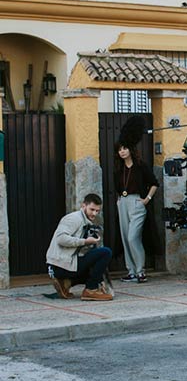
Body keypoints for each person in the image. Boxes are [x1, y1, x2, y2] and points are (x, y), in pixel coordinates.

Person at [114, 116, 159, 283]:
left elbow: (154, 183)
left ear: (131, 149)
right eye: (119, 149)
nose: (122, 151)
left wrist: (147, 199)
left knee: (133, 237)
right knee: (125, 238)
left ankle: (141, 271)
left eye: (125, 148)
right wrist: (119, 201)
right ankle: (131, 271)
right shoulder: (118, 169)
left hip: (137, 202)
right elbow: (118, 188)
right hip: (123, 203)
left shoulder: (141, 166)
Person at [46, 193, 113, 301]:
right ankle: (91, 290)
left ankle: (66, 283)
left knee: (96, 268)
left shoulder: (85, 220)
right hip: (58, 266)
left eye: (97, 211)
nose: (94, 213)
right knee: (106, 252)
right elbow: (61, 239)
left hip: (64, 264)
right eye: (92, 209)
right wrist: (85, 241)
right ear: (83, 206)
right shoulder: (74, 218)